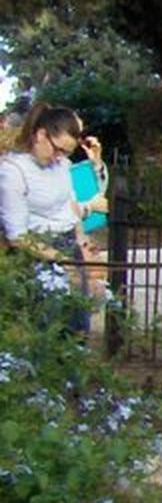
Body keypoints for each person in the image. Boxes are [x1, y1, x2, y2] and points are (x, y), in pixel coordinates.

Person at [0, 103, 109, 333]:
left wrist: (82, 242)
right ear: (41, 135)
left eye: (66, 152)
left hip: (69, 249)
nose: (60, 157)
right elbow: (17, 236)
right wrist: (60, 259)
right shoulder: (13, 171)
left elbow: (68, 210)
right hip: (38, 255)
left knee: (78, 327)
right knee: (48, 330)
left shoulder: (63, 166)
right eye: (58, 149)